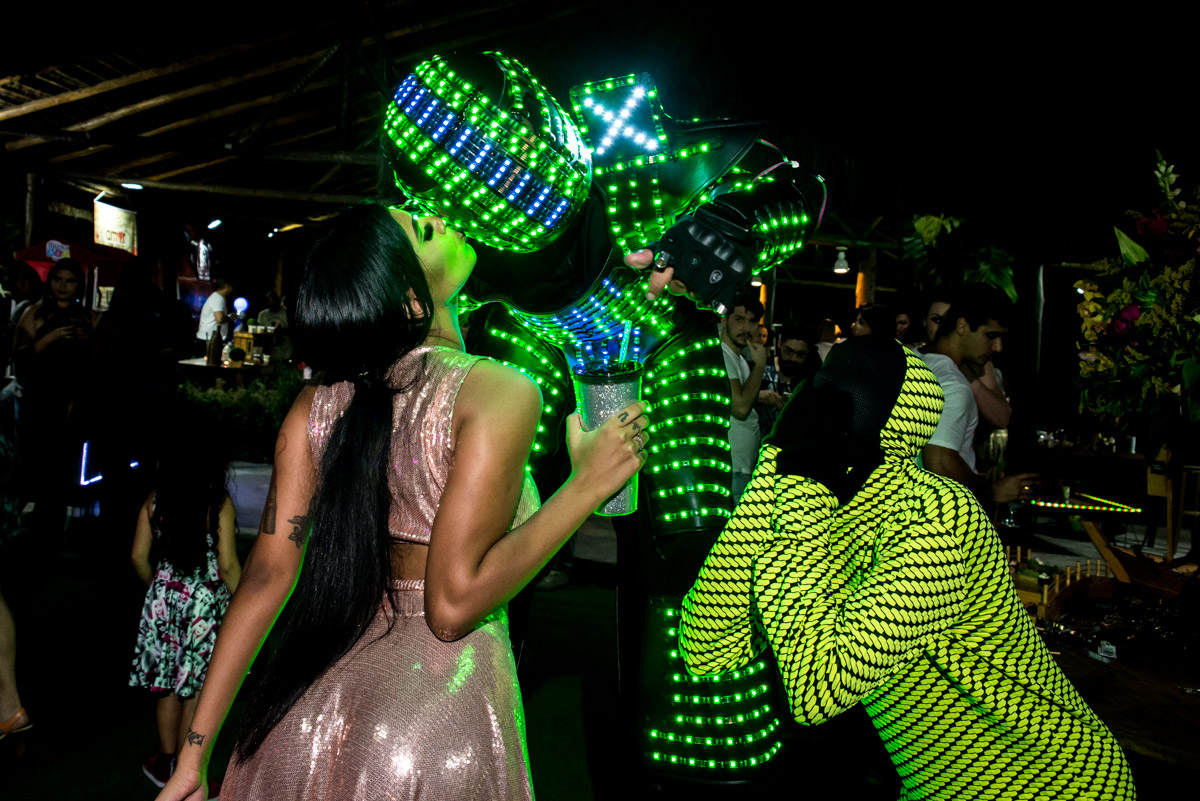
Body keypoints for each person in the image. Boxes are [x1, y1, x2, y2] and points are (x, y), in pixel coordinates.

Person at [156, 204, 647, 801]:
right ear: (413, 301)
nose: (445, 218)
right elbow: (452, 605)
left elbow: (264, 578)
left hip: (307, 714)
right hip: (432, 723)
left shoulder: (316, 406)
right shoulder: (495, 391)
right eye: (426, 229)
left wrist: (192, 757)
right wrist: (586, 485)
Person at [678, 337, 1136, 800]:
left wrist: (798, 488)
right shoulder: (823, 511)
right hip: (942, 783)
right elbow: (709, 649)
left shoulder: (937, 517)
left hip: (1045, 781)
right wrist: (770, 473)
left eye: (850, 393)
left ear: (894, 420)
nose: (824, 407)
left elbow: (817, 690)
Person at [130, 448, 240, 788]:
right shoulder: (217, 502)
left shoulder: (156, 500)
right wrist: (241, 602)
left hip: (164, 600)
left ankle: (165, 763)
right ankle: (182, 770)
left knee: (166, 685)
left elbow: (138, 556)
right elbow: (227, 564)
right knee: (194, 690)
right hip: (202, 606)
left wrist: (158, 587)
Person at [919, 284, 1033, 508]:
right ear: (962, 325)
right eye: (991, 335)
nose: (998, 347)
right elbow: (939, 462)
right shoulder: (953, 385)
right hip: (938, 512)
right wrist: (992, 490)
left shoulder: (909, 359)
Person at [11, 258, 95, 528]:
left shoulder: (87, 318)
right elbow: (21, 361)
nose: (63, 286)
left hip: (72, 406)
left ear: (78, 285)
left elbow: (92, 364)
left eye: (70, 281)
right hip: (39, 403)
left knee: (63, 472)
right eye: (58, 279)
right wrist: (50, 338)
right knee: (37, 469)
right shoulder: (34, 314)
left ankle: (53, 529)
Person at [719, 293, 766, 500]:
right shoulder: (723, 355)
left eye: (752, 322)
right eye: (739, 319)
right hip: (733, 468)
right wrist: (760, 366)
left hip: (739, 466)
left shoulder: (737, 358)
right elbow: (740, 408)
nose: (746, 328)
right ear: (724, 320)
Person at [756, 323, 816, 436]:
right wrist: (756, 396)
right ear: (779, 343)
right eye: (788, 351)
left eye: (801, 354)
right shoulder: (760, 368)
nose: (793, 358)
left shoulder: (810, 380)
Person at [195, 279, 235, 346]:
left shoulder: (217, 297)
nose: (233, 288)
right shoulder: (218, 298)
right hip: (209, 339)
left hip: (209, 338)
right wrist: (230, 318)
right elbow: (219, 319)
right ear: (226, 286)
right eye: (231, 285)